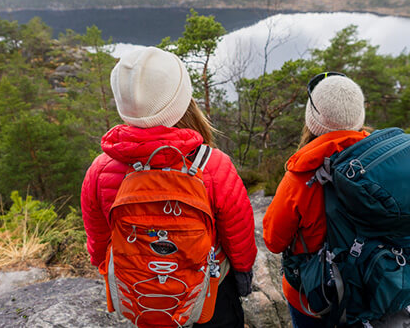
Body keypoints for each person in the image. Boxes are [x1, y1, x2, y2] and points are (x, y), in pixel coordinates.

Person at [81, 47, 257, 327]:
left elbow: (100, 242)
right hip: (208, 291)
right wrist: (243, 271)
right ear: (183, 101)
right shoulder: (212, 165)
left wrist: (114, 271)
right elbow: (239, 232)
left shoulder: (101, 170)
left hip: (144, 293)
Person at [262, 71, 369, 328]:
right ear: (359, 117)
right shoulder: (381, 163)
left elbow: (273, 240)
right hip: (372, 282)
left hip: (315, 295)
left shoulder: (299, 178)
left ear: (312, 121)